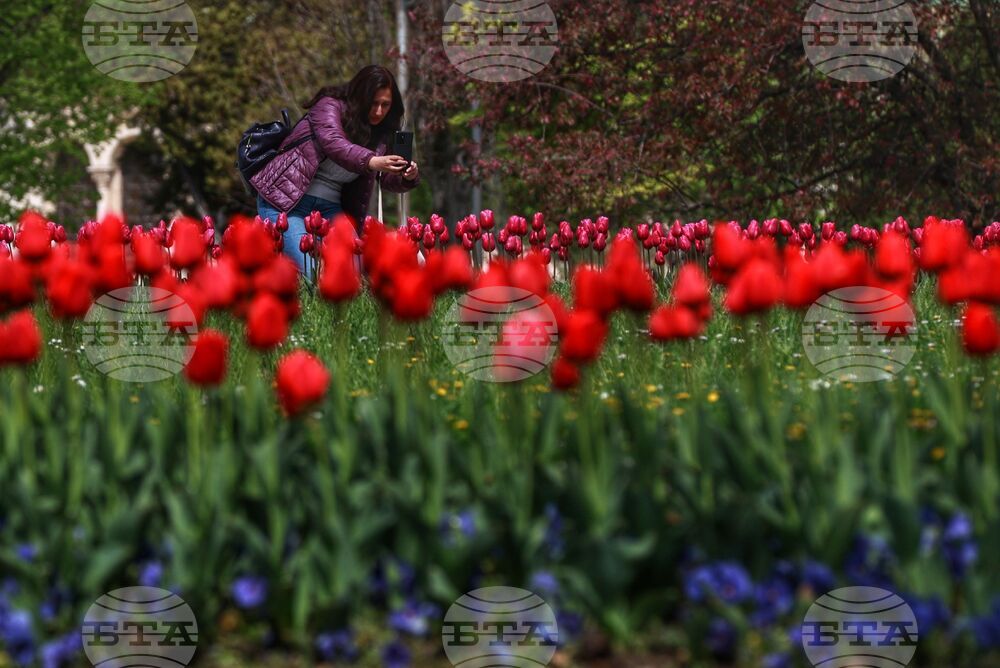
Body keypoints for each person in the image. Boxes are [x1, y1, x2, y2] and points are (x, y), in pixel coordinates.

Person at [252, 64, 420, 279]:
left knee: (349, 276)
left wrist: (406, 177)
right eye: (373, 103)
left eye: (385, 105)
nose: (378, 111)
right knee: (310, 274)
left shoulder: (381, 133)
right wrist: (373, 160)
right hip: (286, 203)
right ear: (359, 97)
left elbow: (384, 178)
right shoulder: (328, 106)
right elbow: (335, 144)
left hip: (330, 208)